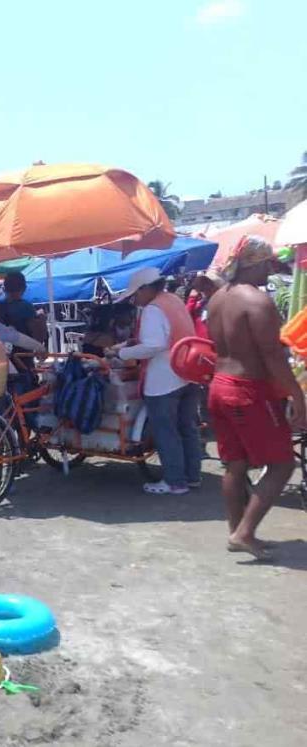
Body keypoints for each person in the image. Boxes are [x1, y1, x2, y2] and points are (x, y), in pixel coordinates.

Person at [206, 236, 305, 561]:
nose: (271, 270)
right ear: (257, 263)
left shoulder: (218, 298)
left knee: (234, 465)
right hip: (247, 389)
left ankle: (238, 532)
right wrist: (297, 395)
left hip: (219, 385)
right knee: (282, 464)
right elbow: (272, 357)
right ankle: (245, 532)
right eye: (268, 264)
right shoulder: (257, 302)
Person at [107, 267, 201, 496]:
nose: (135, 299)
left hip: (163, 380)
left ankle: (174, 482)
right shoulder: (174, 300)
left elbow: (154, 345)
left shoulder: (153, 309)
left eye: (136, 294)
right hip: (187, 373)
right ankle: (192, 476)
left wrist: (121, 354)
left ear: (146, 289)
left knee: (166, 431)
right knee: (187, 428)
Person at [0, 272, 47, 342]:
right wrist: (41, 320)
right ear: (24, 288)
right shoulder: (27, 307)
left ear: (4, 288)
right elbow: (38, 336)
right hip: (23, 350)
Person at [185, 270, 221, 339]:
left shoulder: (221, 302)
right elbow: (187, 316)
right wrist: (192, 299)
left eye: (207, 284)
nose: (205, 288)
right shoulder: (200, 303)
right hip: (202, 343)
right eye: (203, 285)